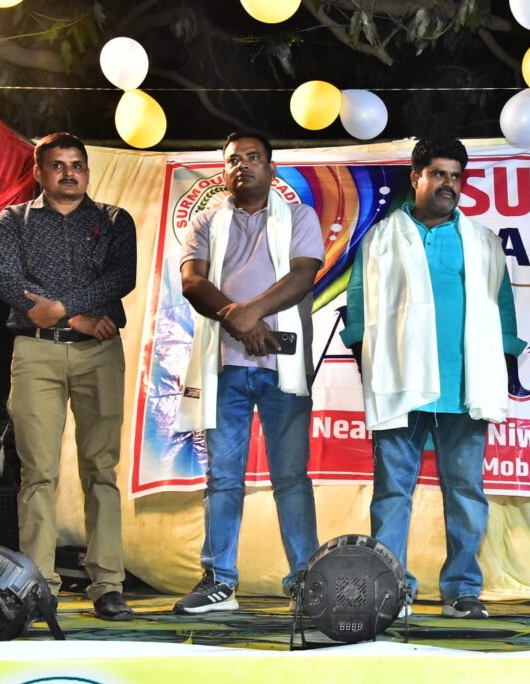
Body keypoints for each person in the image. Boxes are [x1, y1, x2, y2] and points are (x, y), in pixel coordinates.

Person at [340, 137, 526, 619]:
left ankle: (462, 590)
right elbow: (358, 302)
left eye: (456, 176)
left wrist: (505, 357)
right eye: (439, 174)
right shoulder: (381, 237)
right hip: (400, 382)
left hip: (465, 385)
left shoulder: (481, 239)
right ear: (416, 178)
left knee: (466, 492)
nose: (449, 184)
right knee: (392, 492)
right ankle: (390, 589)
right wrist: (364, 355)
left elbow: (501, 303)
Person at [173, 131, 322, 614]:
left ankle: (306, 582)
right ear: (224, 172)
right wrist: (237, 320)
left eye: (254, 157)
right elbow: (192, 281)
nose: (243, 166)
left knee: (292, 478)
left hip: (284, 369)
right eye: (234, 160)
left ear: (271, 168)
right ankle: (219, 581)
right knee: (223, 478)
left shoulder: (299, 216)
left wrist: (247, 314)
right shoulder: (206, 221)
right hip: (224, 368)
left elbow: (303, 275)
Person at [0, 132, 137, 621]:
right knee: (38, 473)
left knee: (101, 471)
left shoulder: (114, 220)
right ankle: (37, 586)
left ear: (87, 171)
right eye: (58, 165)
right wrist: (75, 316)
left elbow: (121, 278)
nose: (69, 173)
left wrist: (63, 307)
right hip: (37, 353)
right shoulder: (13, 220)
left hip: (99, 354)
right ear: (39, 172)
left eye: (77, 165)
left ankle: (108, 585)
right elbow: (5, 280)